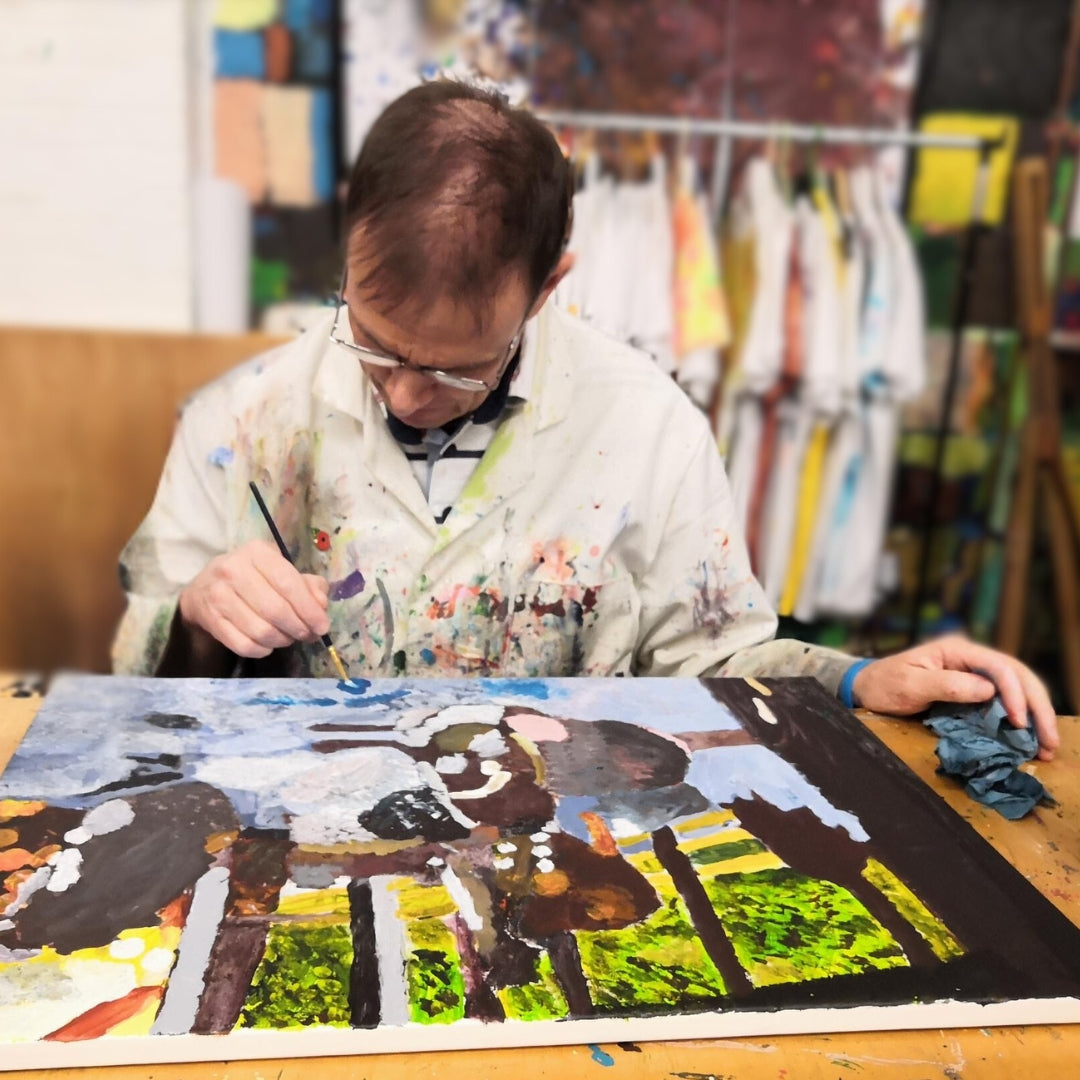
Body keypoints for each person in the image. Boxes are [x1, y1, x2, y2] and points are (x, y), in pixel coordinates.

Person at [112, 80, 1058, 760]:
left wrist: (859, 682)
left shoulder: (648, 429)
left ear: (548, 281)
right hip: (310, 821)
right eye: (373, 342)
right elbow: (140, 679)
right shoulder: (246, 418)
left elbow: (715, 658)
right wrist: (198, 618)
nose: (401, 394)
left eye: (449, 367)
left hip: (553, 835)